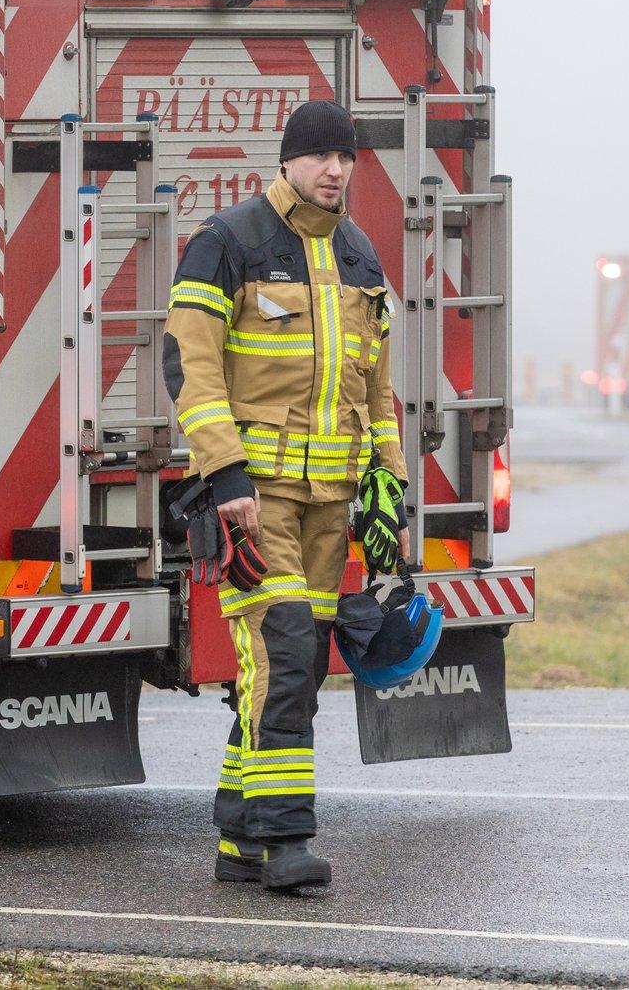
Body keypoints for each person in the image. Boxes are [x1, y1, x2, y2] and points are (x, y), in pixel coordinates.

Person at [162, 100, 409, 892]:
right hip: (255, 495)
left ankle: (239, 834)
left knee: (290, 665)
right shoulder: (227, 241)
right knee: (284, 651)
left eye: (347, 156)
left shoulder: (360, 254)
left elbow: (377, 387)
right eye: (321, 156)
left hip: (333, 498)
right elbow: (189, 367)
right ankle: (283, 839)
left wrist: (389, 484)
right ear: (288, 160)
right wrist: (224, 475)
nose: (336, 169)